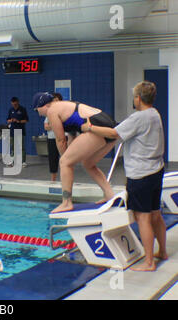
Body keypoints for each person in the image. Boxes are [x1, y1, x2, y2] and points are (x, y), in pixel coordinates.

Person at [81, 81, 167, 272]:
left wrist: (90, 128)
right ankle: (162, 251)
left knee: (142, 218)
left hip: (140, 174)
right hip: (156, 170)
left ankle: (149, 262)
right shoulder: (155, 114)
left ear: (138, 98)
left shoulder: (139, 117)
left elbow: (114, 133)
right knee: (155, 214)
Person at [33, 92, 117, 213]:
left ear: (43, 106)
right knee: (88, 164)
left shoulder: (52, 111)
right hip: (108, 125)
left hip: (95, 125)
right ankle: (109, 195)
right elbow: (72, 134)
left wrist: (65, 161)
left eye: (37, 110)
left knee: (64, 162)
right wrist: (68, 158)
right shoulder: (65, 105)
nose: (39, 114)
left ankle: (66, 203)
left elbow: (61, 140)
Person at [44, 92, 63, 181]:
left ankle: (65, 179)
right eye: (53, 100)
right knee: (52, 159)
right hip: (51, 138)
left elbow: (65, 125)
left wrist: (52, 124)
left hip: (63, 138)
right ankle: (53, 180)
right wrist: (56, 124)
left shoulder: (64, 111)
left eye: (57, 100)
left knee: (64, 159)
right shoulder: (49, 112)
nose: (55, 102)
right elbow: (46, 127)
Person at [7, 97, 29, 167]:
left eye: (15, 103)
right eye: (13, 104)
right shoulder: (11, 110)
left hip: (20, 131)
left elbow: (26, 120)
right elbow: (7, 120)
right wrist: (11, 120)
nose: (14, 105)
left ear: (18, 102)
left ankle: (23, 162)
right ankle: (12, 161)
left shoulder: (23, 109)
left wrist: (18, 121)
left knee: (21, 147)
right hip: (12, 131)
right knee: (12, 147)